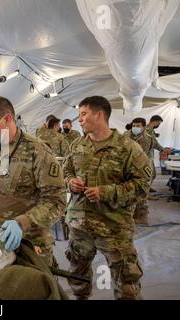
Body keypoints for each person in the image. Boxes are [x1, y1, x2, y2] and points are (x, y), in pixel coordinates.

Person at [63, 96, 152, 300]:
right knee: (78, 274)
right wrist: (70, 181)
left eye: (84, 114)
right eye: (79, 116)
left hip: (113, 227)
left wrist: (106, 192)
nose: (80, 120)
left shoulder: (128, 148)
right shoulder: (77, 145)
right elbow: (65, 170)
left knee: (127, 281)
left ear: (99, 115)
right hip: (79, 226)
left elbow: (143, 184)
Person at [0, 96, 66, 267]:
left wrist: (23, 222)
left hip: (32, 242)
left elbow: (56, 200)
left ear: (8, 119)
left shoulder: (38, 151)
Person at [123, 118, 155, 225]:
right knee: (130, 192)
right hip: (128, 166)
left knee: (141, 193)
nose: (135, 128)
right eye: (134, 125)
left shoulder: (146, 139)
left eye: (138, 126)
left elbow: (141, 157)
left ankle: (142, 217)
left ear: (144, 127)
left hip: (141, 167)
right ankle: (131, 214)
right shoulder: (126, 134)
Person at [146, 115, 171, 190]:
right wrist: (163, 150)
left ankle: (148, 188)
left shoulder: (149, 129)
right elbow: (154, 143)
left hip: (148, 155)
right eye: (159, 123)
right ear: (155, 121)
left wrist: (155, 135)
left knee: (152, 174)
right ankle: (146, 192)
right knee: (149, 175)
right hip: (147, 155)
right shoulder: (149, 129)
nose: (158, 125)